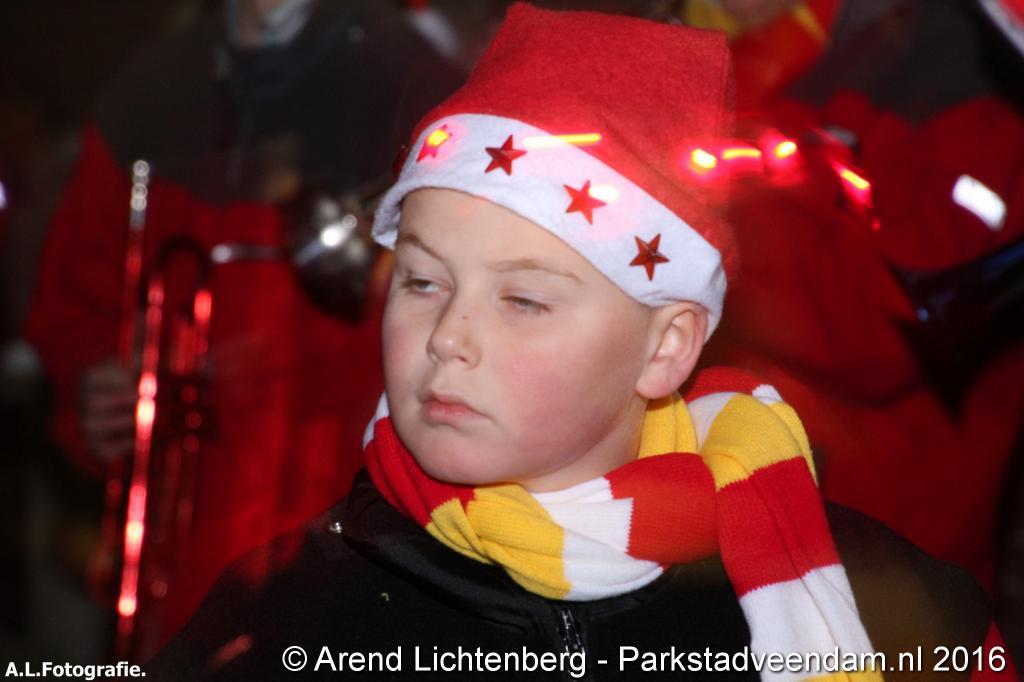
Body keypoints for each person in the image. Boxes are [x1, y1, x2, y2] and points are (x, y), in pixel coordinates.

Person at [145, 4, 1014, 679]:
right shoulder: (283, 621)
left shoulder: (892, 610)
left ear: (666, 348)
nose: (448, 338)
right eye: (422, 282)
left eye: (523, 300)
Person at [25, 0, 462, 657]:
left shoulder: (420, 91)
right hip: (185, 558)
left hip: (353, 552)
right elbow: (74, 303)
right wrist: (95, 390)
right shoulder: (149, 93)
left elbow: (463, 328)